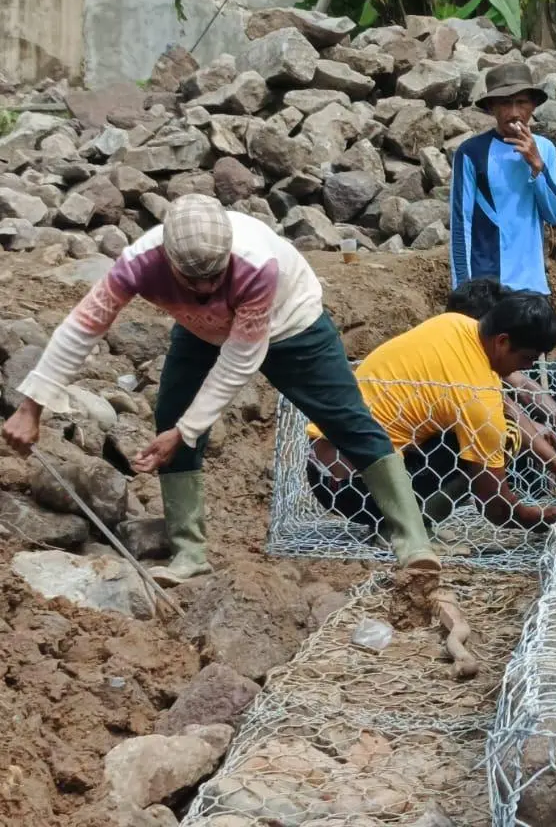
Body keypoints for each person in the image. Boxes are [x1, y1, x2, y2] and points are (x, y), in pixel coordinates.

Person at [0, 195, 439, 585]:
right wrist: (31, 406)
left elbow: (239, 361)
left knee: (348, 421)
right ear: (169, 262)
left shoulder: (255, 264)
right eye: (195, 281)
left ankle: (413, 542)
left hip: (292, 324)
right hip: (200, 331)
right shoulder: (137, 263)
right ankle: (189, 554)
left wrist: (189, 430)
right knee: (170, 419)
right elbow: (83, 327)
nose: (209, 289)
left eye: (215, 275)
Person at [306, 294, 556, 531]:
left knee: (481, 429)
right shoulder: (476, 397)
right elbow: (496, 508)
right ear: (502, 342)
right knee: (501, 437)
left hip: (321, 471)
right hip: (354, 491)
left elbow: (504, 404)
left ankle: (402, 517)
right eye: (527, 358)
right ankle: (406, 531)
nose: (528, 366)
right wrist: (543, 518)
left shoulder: (452, 323)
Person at [450, 61, 556, 295]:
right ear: (492, 107)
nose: (514, 112)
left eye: (522, 103)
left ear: (533, 106)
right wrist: (462, 290)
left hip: (532, 287)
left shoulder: (545, 149)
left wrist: (537, 166)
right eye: (505, 103)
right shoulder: (471, 152)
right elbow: (460, 224)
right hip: (488, 287)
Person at [444, 278, 556, 452]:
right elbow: (504, 405)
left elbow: (522, 384)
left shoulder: (492, 346)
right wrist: (533, 429)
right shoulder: (460, 356)